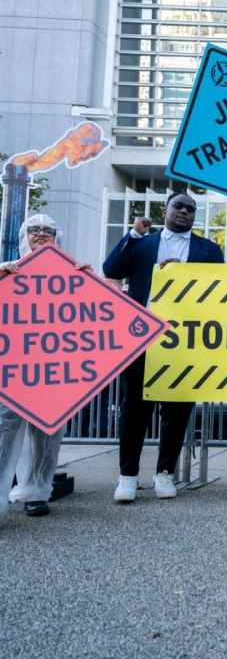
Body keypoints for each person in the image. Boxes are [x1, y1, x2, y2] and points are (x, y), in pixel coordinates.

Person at [103, 192, 224, 503]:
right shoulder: (141, 243)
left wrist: (183, 277)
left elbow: (218, 292)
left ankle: (164, 473)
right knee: (134, 409)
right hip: (141, 336)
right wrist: (132, 234)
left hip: (184, 339)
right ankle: (128, 476)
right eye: (178, 206)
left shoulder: (209, 250)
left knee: (177, 409)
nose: (184, 211)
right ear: (165, 210)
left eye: (191, 209)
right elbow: (112, 270)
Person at [0, 215, 90, 521]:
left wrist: (89, 282)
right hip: (11, 368)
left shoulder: (73, 272)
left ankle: (36, 492)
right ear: (24, 235)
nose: (41, 234)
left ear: (57, 236)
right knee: (4, 431)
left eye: (48, 230)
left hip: (55, 369)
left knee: (48, 432)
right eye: (34, 229)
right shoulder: (7, 268)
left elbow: (96, 315)